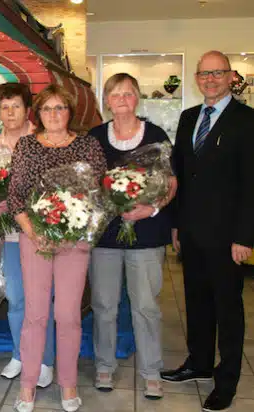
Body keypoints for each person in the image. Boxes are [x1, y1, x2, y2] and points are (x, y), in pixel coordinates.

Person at [161, 50, 254, 412]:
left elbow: (251, 184)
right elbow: (180, 178)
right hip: (193, 232)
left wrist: (245, 237)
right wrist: (177, 226)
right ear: (197, 78)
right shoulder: (188, 119)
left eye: (217, 73)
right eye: (204, 74)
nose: (210, 79)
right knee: (196, 302)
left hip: (228, 236)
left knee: (228, 309)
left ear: (231, 76)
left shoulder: (247, 121)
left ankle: (226, 380)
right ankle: (198, 364)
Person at [8, 84, 107, 412]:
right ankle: (27, 386)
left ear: (70, 112)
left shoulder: (88, 145)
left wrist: (75, 227)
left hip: (74, 242)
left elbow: (99, 195)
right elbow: (16, 196)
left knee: (67, 315)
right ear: (38, 114)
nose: (53, 114)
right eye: (47, 108)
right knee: (35, 314)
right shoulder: (26, 146)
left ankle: (68, 383)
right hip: (35, 239)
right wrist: (34, 232)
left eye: (60, 108)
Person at [88, 73, 177, 400]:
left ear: (136, 98)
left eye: (128, 93)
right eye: (115, 94)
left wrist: (149, 209)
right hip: (106, 236)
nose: (122, 99)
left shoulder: (154, 134)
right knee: (104, 304)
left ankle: (152, 371)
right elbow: (87, 184)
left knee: (145, 306)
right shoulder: (95, 136)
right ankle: (104, 365)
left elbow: (170, 183)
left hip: (147, 233)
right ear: (107, 100)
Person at [0, 82, 54, 386]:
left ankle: (45, 360)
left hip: (40, 233)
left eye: (16, 105)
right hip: (10, 236)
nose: (10, 112)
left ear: (29, 110)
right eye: (4, 107)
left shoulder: (43, 141)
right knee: (15, 298)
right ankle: (19, 354)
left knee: (41, 299)